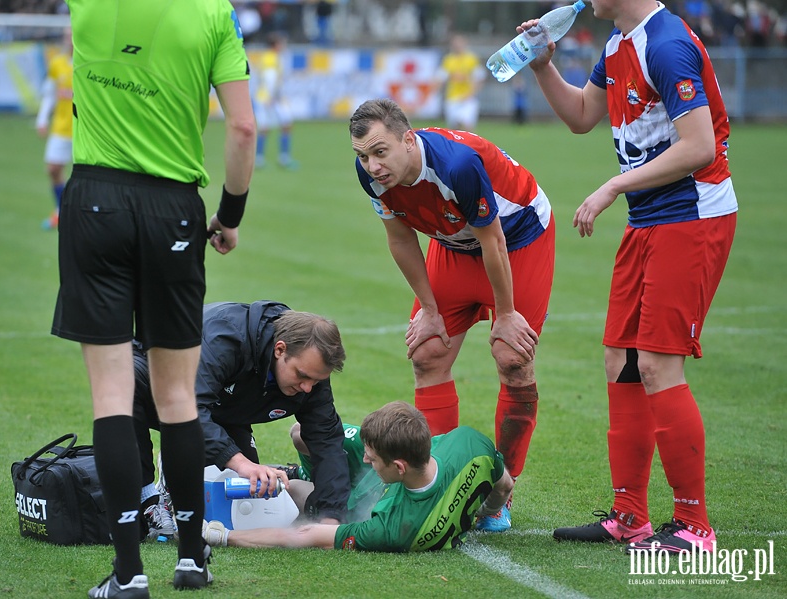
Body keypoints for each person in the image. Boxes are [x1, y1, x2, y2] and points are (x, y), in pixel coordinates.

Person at [51, 1, 256, 597]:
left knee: (113, 396)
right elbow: (242, 127)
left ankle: (128, 573)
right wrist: (230, 216)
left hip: (95, 200)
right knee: (176, 398)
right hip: (175, 208)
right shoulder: (215, 13)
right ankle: (192, 560)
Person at [520, 0, 738, 554]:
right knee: (622, 359)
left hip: (692, 216)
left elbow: (700, 147)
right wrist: (544, 64)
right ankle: (630, 515)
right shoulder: (620, 42)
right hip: (649, 220)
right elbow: (581, 117)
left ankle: (695, 525)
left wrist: (615, 186)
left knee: (661, 363)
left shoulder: (664, 44)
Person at [348, 98, 555, 533]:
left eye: (380, 152)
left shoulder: (456, 165)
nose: (372, 165)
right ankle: (438, 485)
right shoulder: (372, 177)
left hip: (518, 239)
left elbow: (493, 241)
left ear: (408, 140)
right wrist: (428, 309)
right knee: (427, 352)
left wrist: (506, 313)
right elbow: (401, 240)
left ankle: (501, 494)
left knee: (512, 357)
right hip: (454, 241)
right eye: (362, 156)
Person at [133, 301, 351, 538]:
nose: (308, 388)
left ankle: (181, 465)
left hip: (220, 405)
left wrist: (330, 518)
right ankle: (149, 499)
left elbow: (327, 439)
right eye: (302, 376)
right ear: (280, 350)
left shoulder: (310, 372)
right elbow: (189, 407)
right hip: (163, 383)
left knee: (245, 502)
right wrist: (241, 463)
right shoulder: (226, 339)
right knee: (129, 382)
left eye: (316, 381)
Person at [203, 401, 513, 551]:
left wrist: (223, 536)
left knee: (294, 491)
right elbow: (504, 485)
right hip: (392, 477)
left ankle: (298, 477)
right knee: (301, 433)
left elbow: (305, 536)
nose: (365, 458)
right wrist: (486, 512)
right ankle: (301, 471)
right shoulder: (471, 443)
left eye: (373, 458)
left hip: (356, 501)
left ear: (399, 467)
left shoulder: (394, 528)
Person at [35, 28, 73, 230]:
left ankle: (76, 216)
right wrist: (42, 119)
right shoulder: (57, 63)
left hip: (85, 129)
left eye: (72, 36)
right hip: (60, 126)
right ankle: (60, 210)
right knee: (53, 169)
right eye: (66, 36)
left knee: (83, 176)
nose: (69, 40)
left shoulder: (88, 63)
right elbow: (49, 94)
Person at [252, 32, 298, 170]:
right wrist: (271, 97)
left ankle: (266, 159)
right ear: (276, 45)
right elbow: (269, 78)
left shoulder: (268, 57)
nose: (283, 46)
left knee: (283, 124)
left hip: (268, 97)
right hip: (268, 98)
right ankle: (278, 158)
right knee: (277, 126)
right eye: (281, 43)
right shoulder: (271, 58)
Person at [433, 34, 486, 131]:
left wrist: (472, 93)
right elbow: (440, 78)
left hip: (467, 99)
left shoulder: (471, 59)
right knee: (454, 130)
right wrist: (435, 93)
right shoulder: (448, 60)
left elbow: (479, 78)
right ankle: (456, 146)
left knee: (467, 126)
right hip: (452, 98)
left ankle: (470, 146)